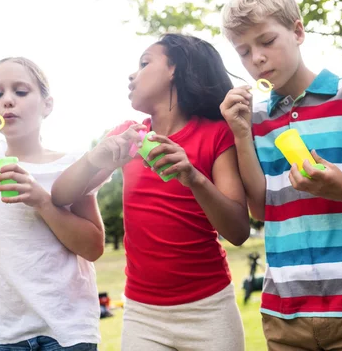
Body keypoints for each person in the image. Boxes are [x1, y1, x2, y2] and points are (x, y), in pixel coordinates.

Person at [219, 0, 342, 350]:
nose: (256, 57)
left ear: (298, 31)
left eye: (266, 41)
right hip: (285, 309)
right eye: (243, 51)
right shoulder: (255, 118)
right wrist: (241, 134)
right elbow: (261, 208)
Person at [52, 33, 249, 351]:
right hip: (143, 315)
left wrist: (193, 177)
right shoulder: (129, 136)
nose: (133, 74)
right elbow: (60, 196)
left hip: (209, 308)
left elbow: (239, 231)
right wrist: (94, 158)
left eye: (144, 63)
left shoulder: (216, 134)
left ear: (175, 69)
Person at [0, 57, 103, 350]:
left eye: (20, 92)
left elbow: (93, 247)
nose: (7, 100)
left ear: (47, 105)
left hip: (68, 329)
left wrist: (43, 202)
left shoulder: (72, 164)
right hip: (6, 334)